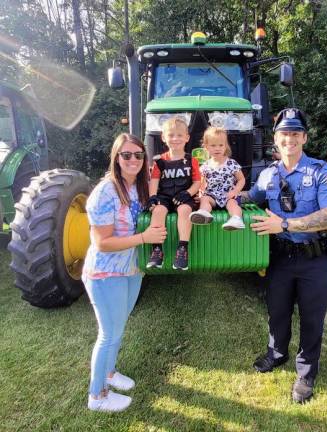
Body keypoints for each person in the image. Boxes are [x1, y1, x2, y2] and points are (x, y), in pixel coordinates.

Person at [245, 108, 327, 403]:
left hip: (315, 259)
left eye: (295, 133)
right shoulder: (267, 175)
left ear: (304, 137)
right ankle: (277, 353)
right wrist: (215, 196)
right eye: (283, 134)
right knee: (277, 311)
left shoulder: (322, 172)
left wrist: (284, 223)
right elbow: (250, 197)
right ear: (275, 138)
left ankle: (306, 373)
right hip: (280, 257)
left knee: (312, 319)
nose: (289, 139)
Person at [83, 133, 167, 412]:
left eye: (138, 155)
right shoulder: (105, 192)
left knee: (118, 329)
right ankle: (97, 396)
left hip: (131, 268)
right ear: (116, 158)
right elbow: (102, 243)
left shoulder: (138, 187)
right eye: (126, 155)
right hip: (105, 274)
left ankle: (109, 373)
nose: (132, 160)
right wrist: (145, 238)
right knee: (108, 334)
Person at [146, 117, 201, 270]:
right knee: (157, 211)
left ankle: (182, 249)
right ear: (164, 138)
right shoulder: (159, 161)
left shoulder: (192, 160)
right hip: (165, 196)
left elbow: (197, 182)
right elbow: (154, 181)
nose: (175, 138)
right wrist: (152, 198)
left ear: (187, 138)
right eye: (171, 135)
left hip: (183, 197)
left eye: (179, 135)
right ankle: (157, 250)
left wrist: (188, 193)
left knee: (185, 210)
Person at [189, 127, 246, 230]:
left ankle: (236, 219)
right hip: (212, 197)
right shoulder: (205, 166)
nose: (217, 148)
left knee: (233, 204)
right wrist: (200, 194)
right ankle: (204, 214)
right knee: (205, 199)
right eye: (213, 145)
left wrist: (235, 191)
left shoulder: (231, 163)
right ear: (206, 147)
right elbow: (202, 183)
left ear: (225, 146)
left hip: (228, 195)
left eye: (221, 145)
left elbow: (241, 179)